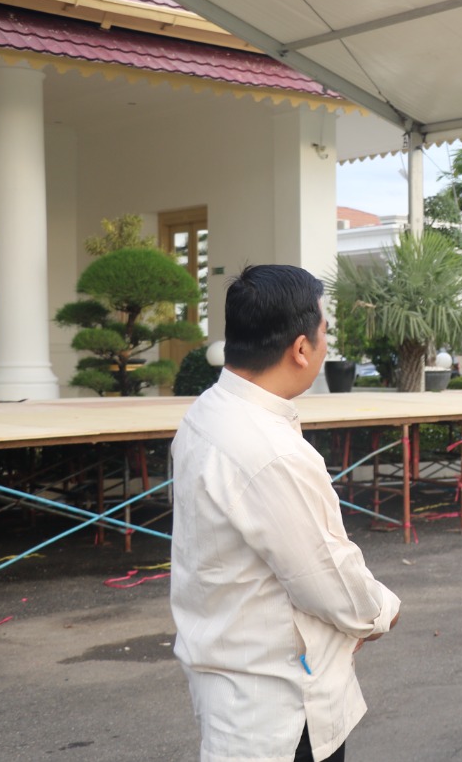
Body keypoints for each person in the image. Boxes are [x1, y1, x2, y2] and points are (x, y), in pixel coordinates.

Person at [170, 265, 401, 762]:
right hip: (278, 711)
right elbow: (325, 579)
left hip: (233, 692)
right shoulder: (268, 449)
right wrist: (381, 611)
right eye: (324, 332)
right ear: (301, 348)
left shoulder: (207, 413)